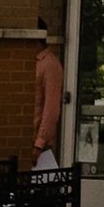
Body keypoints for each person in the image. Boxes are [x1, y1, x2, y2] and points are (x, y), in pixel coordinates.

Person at [34, 20, 65, 169]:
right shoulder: (33, 62)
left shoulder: (49, 64)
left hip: (37, 145)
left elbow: (51, 108)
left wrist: (39, 143)